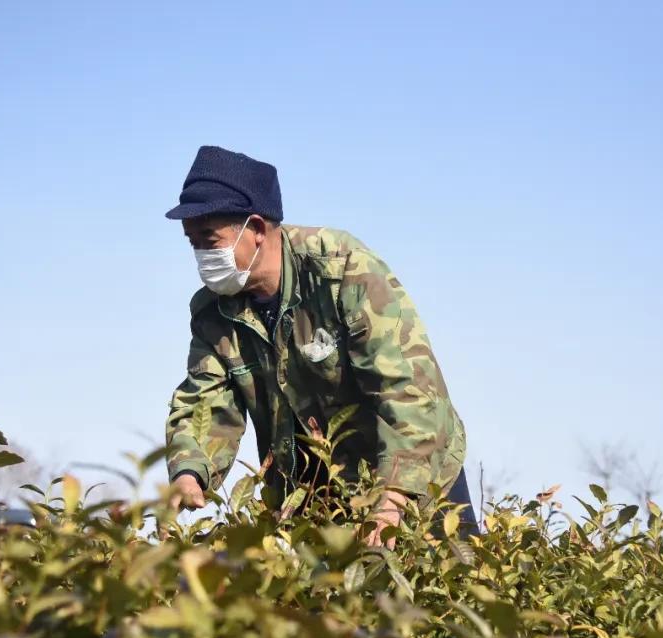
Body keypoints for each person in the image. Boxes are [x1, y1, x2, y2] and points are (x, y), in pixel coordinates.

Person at [163, 145, 479, 544]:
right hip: (311, 492)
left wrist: (392, 498)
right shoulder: (214, 312)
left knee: (455, 597)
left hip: (414, 478)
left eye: (210, 239)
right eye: (192, 243)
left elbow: (406, 389)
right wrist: (189, 471)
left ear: (257, 229)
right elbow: (205, 400)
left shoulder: (344, 270)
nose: (201, 255)